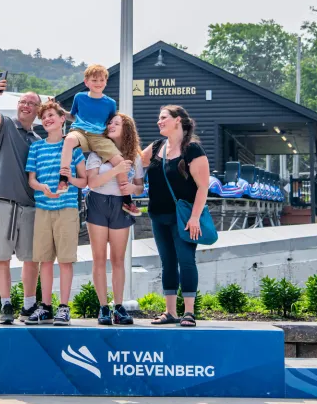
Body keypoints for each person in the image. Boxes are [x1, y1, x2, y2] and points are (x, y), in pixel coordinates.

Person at [141, 105, 210, 328]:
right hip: (157, 215)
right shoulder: (156, 146)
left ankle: (188, 312)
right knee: (167, 262)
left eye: (163, 118)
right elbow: (136, 163)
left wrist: (195, 217)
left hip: (183, 217)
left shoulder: (193, 150)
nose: (159, 122)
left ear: (177, 120)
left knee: (186, 260)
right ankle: (170, 311)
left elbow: (202, 188)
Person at [24, 100, 87, 326]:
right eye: (44, 116)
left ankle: (63, 308)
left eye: (52, 115)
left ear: (62, 119)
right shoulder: (36, 147)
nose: (48, 119)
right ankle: (46, 307)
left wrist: (69, 179)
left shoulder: (73, 149)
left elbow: (84, 180)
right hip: (43, 209)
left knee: (66, 261)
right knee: (45, 261)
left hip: (67, 210)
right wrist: (43, 188)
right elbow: (32, 179)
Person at [0, 78, 42, 324]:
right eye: (23, 101)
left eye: (32, 103)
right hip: (2, 202)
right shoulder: (6, 126)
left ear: (38, 110)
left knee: (31, 258)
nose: (26, 105)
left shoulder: (39, 143)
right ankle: (5, 304)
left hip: (29, 206)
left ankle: (29, 305)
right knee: (1, 257)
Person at [85, 112, 145, 326]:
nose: (111, 125)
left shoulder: (134, 156)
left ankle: (118, 306)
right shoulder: (97, 152)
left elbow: (140, 186)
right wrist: (116, 170)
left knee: (118, 259)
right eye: (109, 122)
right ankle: (103, 307)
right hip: (98, 202)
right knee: (99, 258)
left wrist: (133, 188)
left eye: (116, 123)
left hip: (121, 205)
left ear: (126, 128)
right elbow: (92, 182)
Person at [58, 64, 138, 215]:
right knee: (68, 140)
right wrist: (59, 111)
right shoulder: (79, 97)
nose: (98, 83)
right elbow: (72, 116)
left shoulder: (110, 103)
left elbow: (110, 121)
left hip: (99, 137)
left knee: (120, 162)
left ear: (106, 82)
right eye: (94, 80)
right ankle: (63, 178)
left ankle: (127, 199)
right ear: (86, 82)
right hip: (80, 131)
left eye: (101, 80)